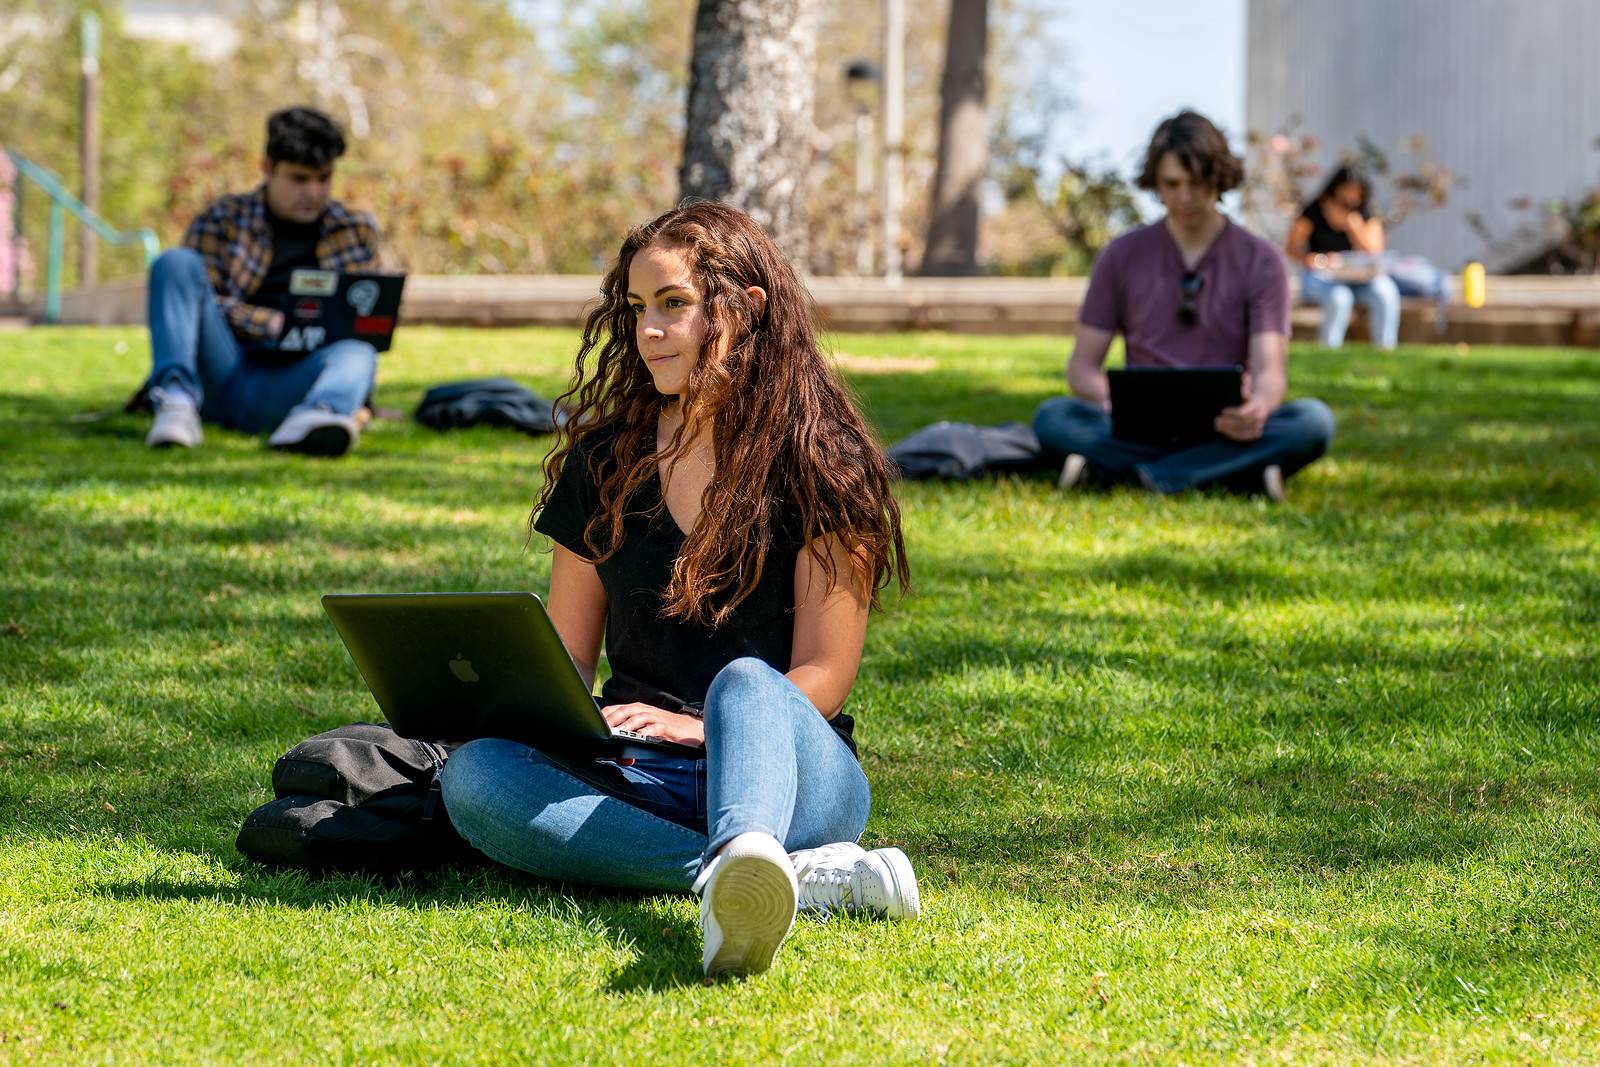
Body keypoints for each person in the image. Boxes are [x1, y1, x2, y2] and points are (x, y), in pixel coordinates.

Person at [439, 201, 922, 979]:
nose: (647, 330)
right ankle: (774, 875)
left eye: (673, 305)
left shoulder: (824, 464)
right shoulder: (604, 459)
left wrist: (699, 727)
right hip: (638, 770)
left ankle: (754, 843)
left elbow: (823, 680)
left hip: (796, 773)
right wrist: (530, 706)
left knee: (745, 685)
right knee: (475, 779)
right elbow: (563, 658)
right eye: (636, 308)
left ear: (745, 311)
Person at [1032, 110, 1335, 502]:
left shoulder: (1261, 260)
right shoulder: (1121, 256)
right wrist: (1108, 398)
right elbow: (1081, 368)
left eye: (1198, 183)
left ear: (1219, 178)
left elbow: (1271, 372)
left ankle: (1144, 475)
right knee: (1053, 417)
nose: (1186, 198)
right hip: (1135, 428)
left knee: (1312, 422)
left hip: (1224, 426)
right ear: (1155, 182)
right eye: (1172, 184)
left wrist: (1258, 408)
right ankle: (1224, 472)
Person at [142, 106, 382, 456]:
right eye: (300, 179)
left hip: (295, 382)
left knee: (359, 352)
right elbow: (201, 304)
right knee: (174, 263)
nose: (314, 192)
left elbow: (364, 319)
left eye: (324, 178)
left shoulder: (354, 231)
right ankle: (176, 404)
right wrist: (267, 323)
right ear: (267, 168)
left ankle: (319, 417)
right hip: (223, 370)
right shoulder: (223, 220)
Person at [1286, 165, 1402, 350]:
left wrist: (1353, 227)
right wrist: (1316, 259)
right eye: (1347, 190)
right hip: (1321, 277)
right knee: (1340, 298)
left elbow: (1375, 250)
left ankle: (1385, 349)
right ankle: (1330, 351)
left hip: (1358, 277)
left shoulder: (1364, 212)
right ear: (1335, 188)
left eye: (1357, 191)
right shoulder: (1314, 210)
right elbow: (1291, 247)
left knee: (1386, 292)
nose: (1351, 196)